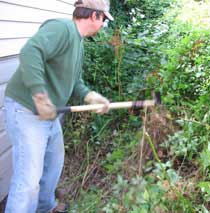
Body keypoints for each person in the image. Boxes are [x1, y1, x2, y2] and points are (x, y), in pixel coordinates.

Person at [3, 0, 114, 212]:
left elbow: (75, 82)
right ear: (94, 16)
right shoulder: (62, 28)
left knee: (53, 163)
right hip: (27, 109)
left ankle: (45, 207)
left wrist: (90, 96)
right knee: (28, 181)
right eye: (103, 20)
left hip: (49, 114)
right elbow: (30, 51)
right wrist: (40, 95)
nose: (102, 26)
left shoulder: (78, 43)